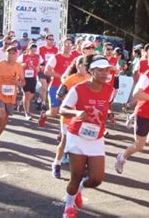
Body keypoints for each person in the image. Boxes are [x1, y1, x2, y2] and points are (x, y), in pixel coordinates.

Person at [59, 56, 114, 218]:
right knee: (76, 175)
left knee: (97, 178)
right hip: (77, 136)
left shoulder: (109, 90)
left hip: (96, 137)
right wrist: (76, 112)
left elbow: (104, 106)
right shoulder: (78, 89)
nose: (105, 73)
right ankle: (68, 207)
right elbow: (63, 109)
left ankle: (79, 190)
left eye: (107, 70)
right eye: (101, 70)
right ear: (92, 71)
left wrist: (109, 114)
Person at [115, 50, 149, 192]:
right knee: (140, 146)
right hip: (144, 114)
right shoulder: (147, 75)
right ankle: (122, 156)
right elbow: (137, 94)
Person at [52, 56, 91, 179]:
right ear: (78, 66)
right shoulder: (70, 80)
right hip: (69, 114)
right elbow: (59, 95)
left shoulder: (90, 79)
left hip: (82, 116)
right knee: (64, 141)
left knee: (83, 141)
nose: (86, 68)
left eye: (87, 66)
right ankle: (56, 164)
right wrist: (70, 101)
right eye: (84, 65)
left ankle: (83, 169)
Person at [0, 46, 25, 147]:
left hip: (11, 96)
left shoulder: (19, 66)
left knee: (5, 118)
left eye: (13, 53)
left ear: (17, 55)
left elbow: (23, 82)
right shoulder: (0, 64)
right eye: (9, 53)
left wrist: (18, 83)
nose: (10, 55)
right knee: (1, 115)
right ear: (5, 54)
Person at [39, 37, 76, 127]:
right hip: (55, 87)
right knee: (53, 112)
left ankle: (61, 133)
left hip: (68, 89)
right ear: (61, 46)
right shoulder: (56, 57)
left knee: (65, 111)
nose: (67, 46)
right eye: (65, 44)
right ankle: (44, 115)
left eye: (69, 44)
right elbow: (46, 71)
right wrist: (61, 76)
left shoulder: (74, 59)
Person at [17, 43, 43, 120]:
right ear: (28, 49)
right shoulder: (23, 56)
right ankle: (27, 113)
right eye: (32, 50)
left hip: (33, 77)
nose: (33, 52)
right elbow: (16, 65)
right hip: (24, 77)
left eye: (35, 50)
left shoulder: (38, 57)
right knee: (26, 94)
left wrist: (39, 67)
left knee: (31, 95)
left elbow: (43, 65)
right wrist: (22, 65)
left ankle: (22, 103)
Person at [37, 33, 59, 110]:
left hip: (51, 71)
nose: (51, 41)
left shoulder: (56, 49)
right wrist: (40, 66)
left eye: (52, 39)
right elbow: (36, 59)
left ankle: (39, 99)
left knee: (46, 88)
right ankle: (43, 103)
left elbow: (57, 60)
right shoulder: (40, 48)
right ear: (46, 40)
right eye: (50, 39)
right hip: (42, 71)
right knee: (44, 86)